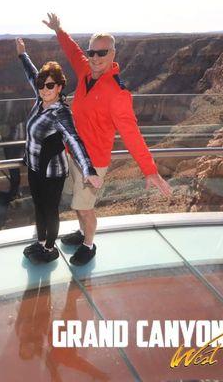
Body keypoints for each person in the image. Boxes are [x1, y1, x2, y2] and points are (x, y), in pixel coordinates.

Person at [42, 13, 172, 266]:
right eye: (92, 52)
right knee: (77, 204)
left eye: (102, 53)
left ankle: (89, 245)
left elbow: (131, 133)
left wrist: (150, 169)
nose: (95, 58)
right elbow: (73, 51)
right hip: (72, 153)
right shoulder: (85, 73)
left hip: (94, 162)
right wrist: (59, 30)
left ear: (113, 54)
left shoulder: (117, 92)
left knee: (85, 206)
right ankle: (81, 233)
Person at [15, 37, 103, 264]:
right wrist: (22, 54)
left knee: (49, 210)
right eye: (42, 85)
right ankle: (42, 242)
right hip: (34, 166)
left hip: (52, 173)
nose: (44, 89)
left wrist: (88, 169)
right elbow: (32, 74)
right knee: (38, 207)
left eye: (50, 85)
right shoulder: (40, 98)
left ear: (60, 87)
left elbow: (74, 140)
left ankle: (50, 248)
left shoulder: (60, 112)